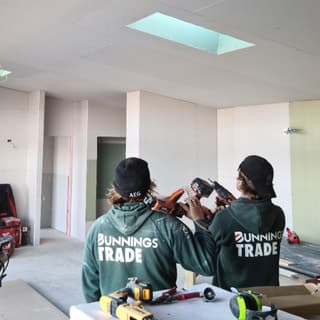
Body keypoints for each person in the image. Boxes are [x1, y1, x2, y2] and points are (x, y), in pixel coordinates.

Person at [82, 157, 215, 302]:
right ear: (149, 186)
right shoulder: (169, 226)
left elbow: (90, 287)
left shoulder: (97, 228)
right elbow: (206, 265)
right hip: (160, 315)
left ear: (116, 188)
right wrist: (200, 222)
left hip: (114, 313)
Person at [185, 155, 285, 290]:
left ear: (241, 183)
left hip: (230, 300)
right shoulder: (278, 215)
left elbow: (206, 260)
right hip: (268, 300)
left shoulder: (224, 218)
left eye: (238, 176)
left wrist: (199, 221)